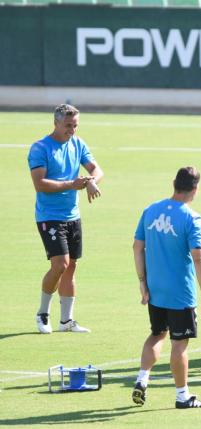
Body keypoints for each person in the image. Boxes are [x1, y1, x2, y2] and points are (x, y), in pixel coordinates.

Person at [131, 167, 201, 409]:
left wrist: (142, 282)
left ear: (173, 183)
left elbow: (137, 247)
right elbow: (200, 259)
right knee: (179, 344)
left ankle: (142, 379)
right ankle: (182, 395)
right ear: (195, 189)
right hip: (180, 293)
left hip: (156, 290)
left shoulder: (150, 209)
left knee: (157, 334)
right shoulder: (192, 218)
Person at [28, 104, 103, 334]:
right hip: (49, 216)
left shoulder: (78, 144)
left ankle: (67, 321)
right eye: (68, 125)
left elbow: (97, 169)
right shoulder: (40, 148)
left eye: (75, 125)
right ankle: (42, 313)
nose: (72, 130)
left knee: (71, 267)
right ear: (56, 123)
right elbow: (39, 184)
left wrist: (91, 181)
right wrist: (72, 184)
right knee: (60, 265)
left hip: (73, 215)